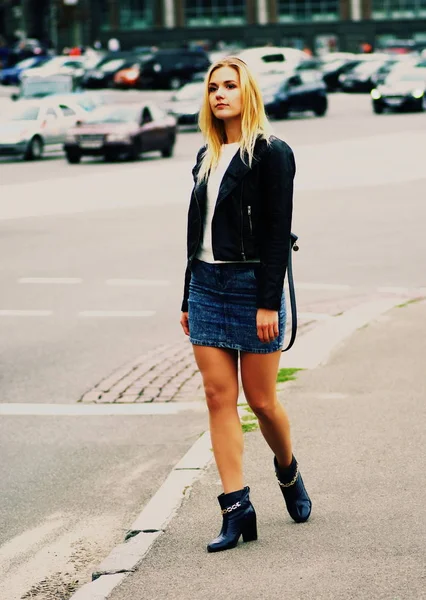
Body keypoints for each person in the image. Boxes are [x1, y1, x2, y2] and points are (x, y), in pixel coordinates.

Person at [180, 57, 312, 553]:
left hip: (253, 285)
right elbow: (196, 232)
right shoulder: (205, 155)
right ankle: (236, 508)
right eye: (213, 86)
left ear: (247, 93)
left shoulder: (272, 153)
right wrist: (187, 295)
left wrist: (266, 303)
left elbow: (278, 233)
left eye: (230, 86)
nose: (220, 94)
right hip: (207, 286)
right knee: (218, 397)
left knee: (261, 401)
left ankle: (287, 470)